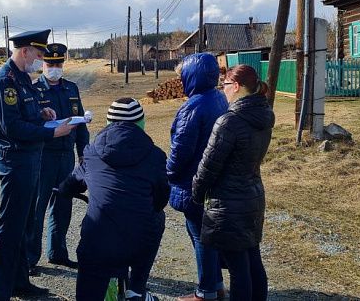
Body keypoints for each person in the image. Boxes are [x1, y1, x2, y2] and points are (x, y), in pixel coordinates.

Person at [0, 30, 76, 300]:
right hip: (15, 162)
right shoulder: (5, 81)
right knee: (9, 228)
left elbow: (27, 113)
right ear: (25, 51)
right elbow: (12, 127)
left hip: (31, 160)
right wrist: (51, 132)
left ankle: (19, 281)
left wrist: (42, 113)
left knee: (25, 225)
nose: (41, 61)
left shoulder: (23, 78)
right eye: (39, 55)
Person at [57, 98, 168, 301]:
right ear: (141, 123)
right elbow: (161, 199)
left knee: (88, 287)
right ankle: (137, 287)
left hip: (98, 243)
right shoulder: (155, 156)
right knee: (157, 218)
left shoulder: (92, 153)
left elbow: (73, 182)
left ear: (109, 122)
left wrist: (62, 190)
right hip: (139, 241)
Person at [192, 65, 274, 301]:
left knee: (239, 269)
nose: (223, 90)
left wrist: (197, 193)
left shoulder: (229, 122)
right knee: (252, 259)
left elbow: (209, 165)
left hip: (229, 202)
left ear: (236, 87)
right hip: (252, 197)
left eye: (225, 85)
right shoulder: (264, 116)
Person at [166, 53, 228, 301]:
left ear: (193, 76)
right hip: (212, 178)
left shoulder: (193, 107)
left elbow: (181, 150)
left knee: (200, 237)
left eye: (182, 76)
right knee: (208, 235)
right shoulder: (218, 97)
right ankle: (217, 285)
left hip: (193, 182)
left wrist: (168, 172)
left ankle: (205, 292)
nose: (180, 81)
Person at [27, 43, 89, 273]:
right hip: (44, 156)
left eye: (58, 63)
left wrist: (83, 152)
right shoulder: (33, 90)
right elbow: (30, 123)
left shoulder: (71, 89)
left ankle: (58, 253)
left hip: (66, 156)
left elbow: (80, 123)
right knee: (37, 207)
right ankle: (30, 258)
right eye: (50, 63)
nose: (54, 68)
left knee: (63, 206)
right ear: (42, 64)